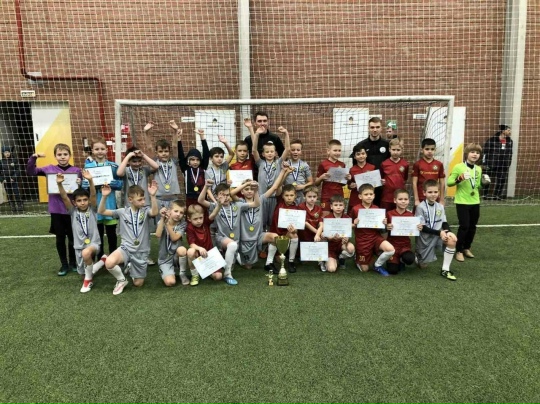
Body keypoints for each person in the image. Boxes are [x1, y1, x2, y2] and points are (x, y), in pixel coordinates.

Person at [27, 144, 82, 276]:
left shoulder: (76, 170)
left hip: (72, 210)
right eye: (59, 154)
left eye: (65, 154)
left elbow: (80, 190)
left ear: (70, 155)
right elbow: (31, 172)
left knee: (73, 238)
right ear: (55, 156)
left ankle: (73, 262)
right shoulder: (49, 169)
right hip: (56, 210)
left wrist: (80, 183)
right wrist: (34, 157)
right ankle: (64, 264)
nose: (62, 157)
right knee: (60, 238)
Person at [98, 181, 159, 295]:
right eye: (140, 199)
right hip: (126, 248)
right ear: (130, 199)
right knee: (109, 262)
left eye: (144, 199)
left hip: (141, 251)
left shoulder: (145, 211)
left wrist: (153, 196)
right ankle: (121, 280)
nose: (143, 202)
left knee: (138, 284)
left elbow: (155, 212)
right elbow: (101, 211)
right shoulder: (122, 212)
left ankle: (130, 266)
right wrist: (104, 196)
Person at [198, 180, 260, 285]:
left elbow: (256, 203)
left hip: (236, 240)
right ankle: (227, 275)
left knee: (234, 254)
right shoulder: (215, 205)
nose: (225, 197)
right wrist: (206, 186)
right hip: (221, 238)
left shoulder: (238, 205)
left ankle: (234, 259)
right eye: (222, 195)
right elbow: (200, 200)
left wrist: (256, 190)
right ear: (216, 196)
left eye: (227, 195)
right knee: (232, 245)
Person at [230, 166, 292, 270]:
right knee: (248, 267)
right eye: (246, 189)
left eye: (252, 189)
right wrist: (245, 184)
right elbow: (231, 193)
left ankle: (268, 263)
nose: (249, 191)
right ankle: (238, 256)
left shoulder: (261, 199)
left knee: (274, 237)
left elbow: (274, 187)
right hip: (245, 239)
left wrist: (282, 171)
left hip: (259, 236)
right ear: (242, 191)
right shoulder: (240, 202)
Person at [56, 170, 100, 292]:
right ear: (74, 202)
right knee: (82, 274)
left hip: (93, 243)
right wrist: (59, 184)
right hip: (79, 245)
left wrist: (90, 180)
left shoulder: (92, 209)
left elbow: (93, 195)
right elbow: (64, 197)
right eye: (79, 201)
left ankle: (89, 280)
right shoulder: (73, 211)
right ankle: (102, 262)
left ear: (88, 201)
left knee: (87, 256)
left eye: (85, 200)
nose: (83, 202)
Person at [447, 143, 489, 262]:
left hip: (475, 201)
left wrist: (484, 184)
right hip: (462, 201)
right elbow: (449, 182)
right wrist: (459, 178)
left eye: (477, 153)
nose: (475, 155)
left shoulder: (478, 169)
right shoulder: (458, 167)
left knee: (472, 227)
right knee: (464, 226)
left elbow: (477, 186)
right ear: (467, 154)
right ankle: (459, 250)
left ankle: (467, 248)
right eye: (472, 152)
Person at [84, 137, 124, 260]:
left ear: (107, 150)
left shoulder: (113, 166)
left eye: (102, 149)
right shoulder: (88, 166)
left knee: (112, 234)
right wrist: (90, 183)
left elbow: (120, 184)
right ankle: (99, 258)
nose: (100, 151)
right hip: (95, 206)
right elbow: (84, 186)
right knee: (98, 235)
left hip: (110, 205)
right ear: (92, 151)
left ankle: (113, 257)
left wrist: (111, 183)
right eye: (97, 149)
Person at [415, 180, 458, 281]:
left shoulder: (440, 206)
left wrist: (448, 231)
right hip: (425, 237)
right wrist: (440, 233)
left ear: (438, 192)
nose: (433, 194)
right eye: (430, 192)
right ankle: (418, 256)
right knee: (423, 266)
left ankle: (445, 269)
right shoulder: (420, 207)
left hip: (439, 235)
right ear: (424, 193)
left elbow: (444, 222)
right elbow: (422, 227)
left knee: (452, 240)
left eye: (435, 192)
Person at [250, 124, 290, 230]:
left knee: (272, 222)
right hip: (262, 197)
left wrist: (286, 134)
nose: (269, 153)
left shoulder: (278, 162)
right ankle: (261, 239)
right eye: (267, 152)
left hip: (274, 197)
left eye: (272, 151)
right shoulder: (260, 163)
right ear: (263, 154)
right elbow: (254, 151)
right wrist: (257, 135)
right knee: (261, 222)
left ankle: (271, 239)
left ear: (275, 153)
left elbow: (287, 149)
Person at [351, 183, 394, 276]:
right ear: (360, 196)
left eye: (371, 194)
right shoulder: (355, 209)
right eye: (366, 194)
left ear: (374, 195)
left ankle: (377, 265)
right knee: (365, 269)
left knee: (390, 249)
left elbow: (380, 227)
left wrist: (384, 223)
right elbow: (349, 226)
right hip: (362, 240)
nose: (369, 196)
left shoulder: (377, 209)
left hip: (375, 237)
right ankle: (357, 257)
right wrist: (354, 223)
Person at [350, 117, 390, 206]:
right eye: (372, 127)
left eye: (377, 127)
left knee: (379, 209)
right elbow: (355, 166)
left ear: (381, 128)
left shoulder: (387, 145)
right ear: (368, 128)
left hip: (382, 185)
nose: (375, 130)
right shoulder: (361, 145)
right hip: (365, 187)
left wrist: (386, 179)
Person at [171, 121, 210, 209]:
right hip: (190, 199)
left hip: (202, 198)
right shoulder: (185, 169)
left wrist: (202, 137)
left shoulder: (203, 167)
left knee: (203, 216)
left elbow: (206, 154)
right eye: (192, 160)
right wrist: (179, 139)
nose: (195, 162)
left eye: (197, 160)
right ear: (188, 160)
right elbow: (181, 156)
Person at [314, 195, 355, 273]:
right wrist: (329, 237)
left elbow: (347, 233)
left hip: (341, 244)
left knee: (351, 248)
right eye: (336, 205)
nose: (338, 207)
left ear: (344, 207)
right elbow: (324, 233)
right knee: (332, 269)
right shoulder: (327, 218)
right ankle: (325, 260)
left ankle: (341, 257)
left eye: (340, 205)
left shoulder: (347, 219)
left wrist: (346, 238)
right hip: (330, 246)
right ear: (331, 206)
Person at [385, 189, 423, 275]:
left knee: (409, 259)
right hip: (392, 245)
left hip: (405, 245)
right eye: (400, 199)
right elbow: (382, 230)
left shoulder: (411, 216)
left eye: (405, 199)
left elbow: (414, 230)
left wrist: (418, 228)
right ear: (395, 200)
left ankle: (402, 260)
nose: (403, 201)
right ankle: (394, 259)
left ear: (409, 200)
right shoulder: (389, 214)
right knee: (393, 271)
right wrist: (387, 227)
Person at [185, 203, 221, 286]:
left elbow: (213, 214)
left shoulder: (205, 223)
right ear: (189, 219)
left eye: (201, 218)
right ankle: (195, 274)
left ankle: (206, 270)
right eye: (195, 219)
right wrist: (200, 248)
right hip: (198, 255)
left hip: (209, 255)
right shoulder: (190, 227)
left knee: (218, 277)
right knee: (190, 251)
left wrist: (219, 205)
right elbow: (192, 244)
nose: (199, 221)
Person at [268, 183, 300, 273]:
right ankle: (268, 263)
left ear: (295, 196)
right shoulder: (279, 202)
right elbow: (277, 186)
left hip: (286, 235)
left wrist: (294, 230)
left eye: (291, 195)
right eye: (286, 195)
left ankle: (291, 262)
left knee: (294, 235)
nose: (289, 198)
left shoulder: (297, 209)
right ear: (282, 196)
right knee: (279, 259)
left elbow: (297, 228)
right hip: (275, 234)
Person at [155, 200, 188, 287]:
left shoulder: (182, 224)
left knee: (182, 250)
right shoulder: (161, 222)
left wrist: (168, 225)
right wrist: (163, 219)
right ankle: (165, 270)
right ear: (169, 211)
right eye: (176, 211)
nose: (178, 214)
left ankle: (182, 273)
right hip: (165, 259)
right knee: (170, 282)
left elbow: (174, 238)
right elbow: (158, 235)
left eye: (181, 212)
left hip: (176, 256)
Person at [315, 139, 350, 216]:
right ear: (328, 151)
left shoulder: (342, 165)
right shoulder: (323, 164)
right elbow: (316, 183)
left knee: (338, 217)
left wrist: (347, 179)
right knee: (325, 217)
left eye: (339, 150)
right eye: (335, 150)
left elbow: (343, 184)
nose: (337, 153)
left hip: (339, 195)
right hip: (326, 196)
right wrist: (321, 177)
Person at [412, 138, 445, 207]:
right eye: (427, 149)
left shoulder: (439, 164)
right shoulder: (417, 164)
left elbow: (442, 183)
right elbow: (414, 183)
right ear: (422, 150)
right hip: (421, 197)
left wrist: (441, 199)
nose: (430, 151)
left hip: (434, 197)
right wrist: (416, 199)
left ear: (435, 150)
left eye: (432, 149)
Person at [482, 125, 513, 200]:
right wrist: (484, 163)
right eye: (508, 130)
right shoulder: (492, 140)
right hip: (491, 163)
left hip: (503, 164)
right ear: (503, 131)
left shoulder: (510, 141)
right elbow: (485, 152)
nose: (510, 132)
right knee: (487, 179)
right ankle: (485, 195)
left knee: (501, 180)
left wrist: (508, 163)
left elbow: (510, 153)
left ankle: (497, 195)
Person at [380, 138, 409, 211]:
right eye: (393, 150)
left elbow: (405, 179)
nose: (395, 152)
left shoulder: (405, 164)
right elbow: (381, 178)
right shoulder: (384, 164)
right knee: (386, 215)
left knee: (399, 215)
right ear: (389, 149)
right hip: (387, 197)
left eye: (398, 150)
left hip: (400, 197)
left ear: (402, 150)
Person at [347, 144, 375, 216]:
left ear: (366, 155)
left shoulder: (372, 168)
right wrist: (351, 185)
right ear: (354, 157)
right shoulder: (351, 170)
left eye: (363, 153)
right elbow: (349, 185)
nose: (361, 156)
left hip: (367, 198)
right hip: (355, 198)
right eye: (358, 154)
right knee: (353, 217)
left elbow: (376, 183)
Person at [283, 139, 313, 205]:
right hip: (288, 195)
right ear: (289, 151)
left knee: (300, 210)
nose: (295, 152)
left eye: (298, 150)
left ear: (301, 152)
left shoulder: (305, 165)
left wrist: (302, 186)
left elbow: (311, 182)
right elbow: (281, 181)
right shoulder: (285, 165)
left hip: (301, 195)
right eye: (293, 150)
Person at [0, 146, 24, 213]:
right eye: (5, 152)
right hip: (6, 181)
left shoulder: (14, 160)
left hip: (14, 180)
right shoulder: (1, 162)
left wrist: (13, 178)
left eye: (8, 152)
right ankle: (12, 207)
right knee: (9, 194)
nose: (7, 153)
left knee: (16, 193)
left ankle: (20, 206)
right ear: (3, 153)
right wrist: (2, 179)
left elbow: (18, 169)